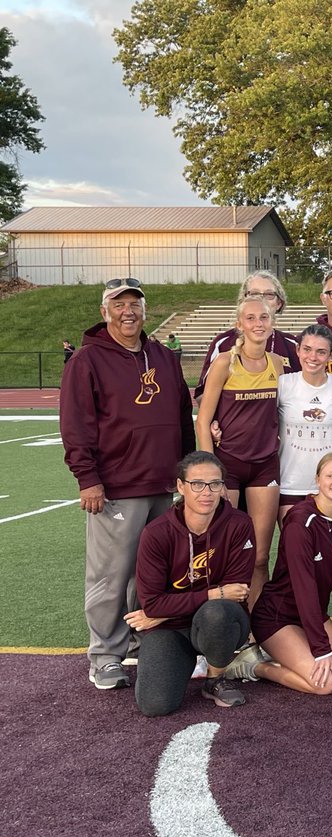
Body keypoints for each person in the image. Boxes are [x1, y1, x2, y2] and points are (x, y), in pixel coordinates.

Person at [61, 277, 195, 690]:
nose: (128, 312)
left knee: (151, 573)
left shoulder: (163, 358)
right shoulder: (87, 361)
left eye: (134, 304)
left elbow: (179, 419)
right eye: (118, 305)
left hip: (162, 484)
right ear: (105, 312)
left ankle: (140, 637)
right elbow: (76, 425)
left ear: (144, 310)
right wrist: (88, 478)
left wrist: (187, 471)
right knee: (110, 574)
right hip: (117, 486)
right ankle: (104, 654)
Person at [126, 451, 255, 715]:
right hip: (171, 629)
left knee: (218, 613)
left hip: (216, 623)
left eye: (214, 484)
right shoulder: (157, 533)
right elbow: (152, 602)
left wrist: (160, 615)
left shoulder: (239, 524)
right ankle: (184, 661)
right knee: (155, 705)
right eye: (197, 484)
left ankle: (215, 678)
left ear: (222, 487)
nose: (206, 492)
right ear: (181, 486)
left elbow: (236, 592)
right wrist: (214, 593)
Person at [224, 452, 332, 694]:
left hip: (314, 613)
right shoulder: (299, 520)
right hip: (277, 617)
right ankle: (254, 666)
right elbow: (304, 588)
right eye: (330, 475)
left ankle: (293, 651)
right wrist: (321, 649)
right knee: (326, 684)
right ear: (318, 479)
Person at [195, 295, 286, 604]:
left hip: (265, 466)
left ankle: (259, 627)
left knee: (260, 556)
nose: (258, 324)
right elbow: (204, 420)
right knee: (225, 554)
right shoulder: (225, 363)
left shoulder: (278, 364)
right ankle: (223, 625)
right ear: (239, 324)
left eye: (263, 318)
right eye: (251, 318)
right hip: (228, 467)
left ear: (272, 323)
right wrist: (212, 474)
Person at [275, 323, 332, 523]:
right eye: (307, 349)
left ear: (330, 355)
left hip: (328, 486)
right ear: (298, 350)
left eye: (321, 352)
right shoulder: (284, 384)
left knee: (325, 549)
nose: (313, 357)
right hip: (289, 483)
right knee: (294, 546)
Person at [195, 271, 298, 397]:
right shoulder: (223, 343)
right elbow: (202, 395)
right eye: (254, 294)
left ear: (278, 304)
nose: (260, 299)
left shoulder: (293, 345)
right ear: (243, 300)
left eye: (269, 294)